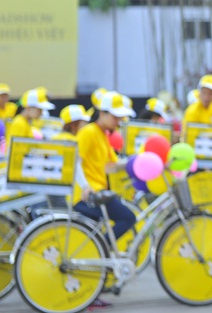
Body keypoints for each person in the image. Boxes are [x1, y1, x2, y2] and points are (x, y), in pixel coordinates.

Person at [75, 91, 137, 311]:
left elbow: (111, 166)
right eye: (116, 116)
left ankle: (99, 249)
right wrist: (84, 187)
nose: (119, 121)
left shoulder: (102, 134)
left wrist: (134, 161)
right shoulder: (89, 132)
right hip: (89, 196)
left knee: (125, 218)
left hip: (99, 194)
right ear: (102, 113)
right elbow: (75, 161)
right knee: (128, 217)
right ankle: (98, 251)